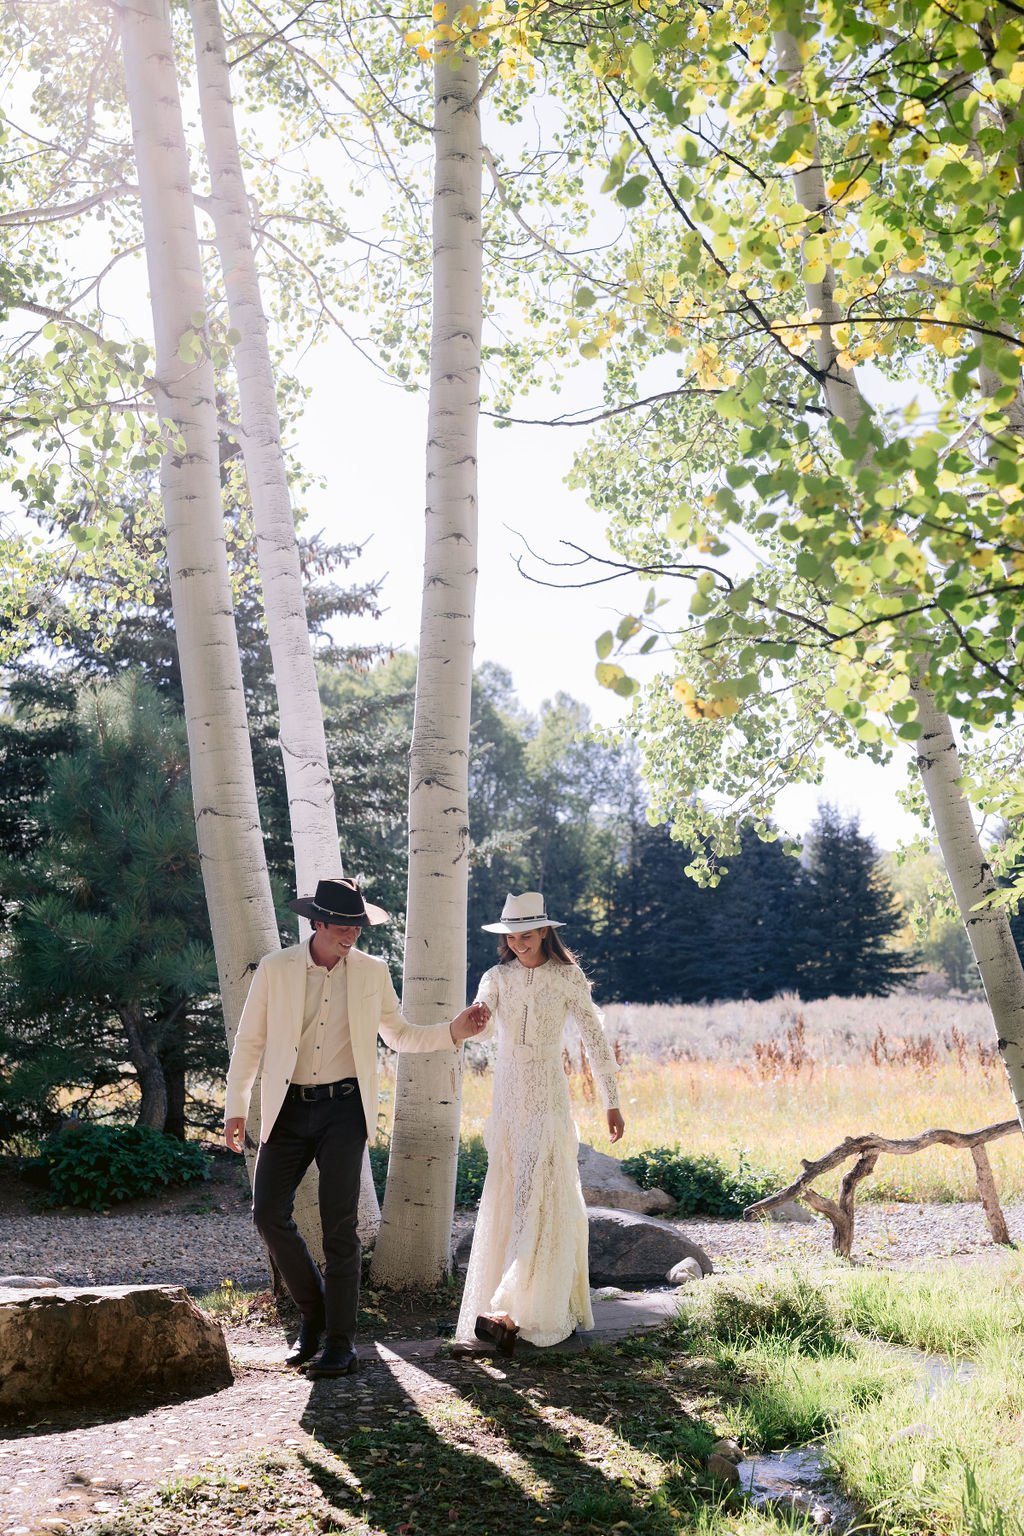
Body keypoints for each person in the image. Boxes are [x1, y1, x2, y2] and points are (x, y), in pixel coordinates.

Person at [224, 877, 488, 1378]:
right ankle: (316, 1313)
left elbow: (400, 1034)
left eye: (358, 927)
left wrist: (453, 1031)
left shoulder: (372, 972)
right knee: (267, 1214)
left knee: (339, 1227)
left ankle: (340, 1343)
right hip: (288, 1107)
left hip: (345, 1110)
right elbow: (250, 1041)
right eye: (343, 925)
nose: (352, 935)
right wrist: (236, 1106)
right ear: (318, 922)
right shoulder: (276, 969)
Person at [455, 891, 624, 1356]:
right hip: (508, 1093)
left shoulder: (568, 978)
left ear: (545, 931)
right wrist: (477, 1017)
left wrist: (611, 1101)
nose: (519, 943)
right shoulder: (496, 976)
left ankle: (521, 1307)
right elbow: (483, 1021)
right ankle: (503, 1304)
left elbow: (596, 1039)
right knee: (512, 1185)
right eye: (512, 936)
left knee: (540, 1187)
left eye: (527, 935)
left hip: (548, 1091)